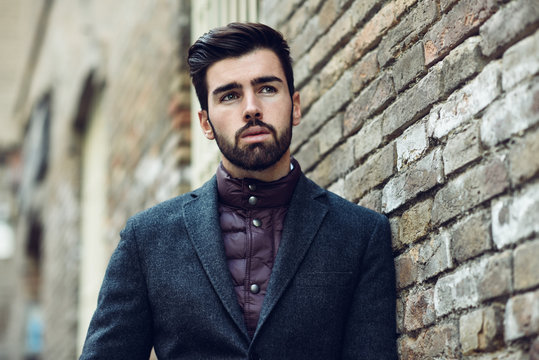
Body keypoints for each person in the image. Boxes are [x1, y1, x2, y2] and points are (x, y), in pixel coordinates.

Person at [80, 22, 396, 360]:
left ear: (296, 106)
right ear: (205, 123)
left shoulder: (360, 235)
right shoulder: (146, 240)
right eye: (229, 95)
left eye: (267, 89)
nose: (251, 107)